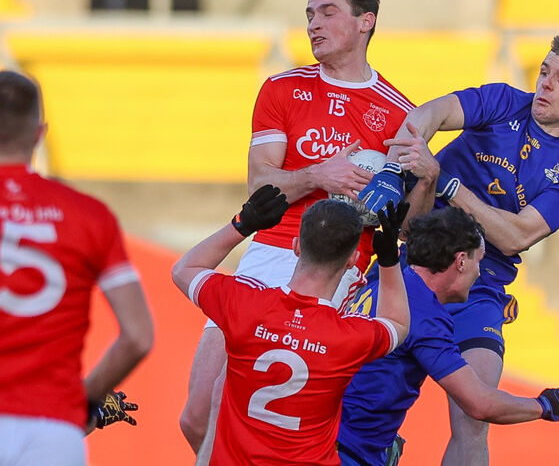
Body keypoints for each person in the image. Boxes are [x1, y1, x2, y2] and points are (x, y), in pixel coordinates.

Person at [180, 0, 414, 452]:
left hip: (336, 268)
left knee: (282, 424)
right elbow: (260, 184)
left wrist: (425, 180)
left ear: (365, 21)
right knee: (198, 417)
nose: (313, 24)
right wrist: (316, 174)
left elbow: (407, 219)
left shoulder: (400, 114)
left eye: (328, 12)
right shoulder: (282, 89)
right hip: (268, 251)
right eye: (309, 14)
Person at [358, 35, 559, 465]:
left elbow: (516, 237)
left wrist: (451, 185)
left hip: (479, 281)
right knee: (355, 382)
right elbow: (431, 112)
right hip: (415, 261)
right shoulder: (504, 101)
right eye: (544, 72)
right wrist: (399, 167)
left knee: (475, 413)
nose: (544, 85)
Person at [171, 186, 411, 465]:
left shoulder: (245, 304)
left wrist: (242, 224)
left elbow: (184, 270)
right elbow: (397, 324)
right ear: (351, 262)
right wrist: (388, 259)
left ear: (296, 246)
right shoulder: (349, 337)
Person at [337, 207, 559, 466]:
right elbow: (479, 404)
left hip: (331, 438)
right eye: (479, 260)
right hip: (349, 453)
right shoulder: (425, 314)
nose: (479, 273)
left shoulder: (388, 282)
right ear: (461, 261)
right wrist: (545, 405)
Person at [0, 70, 153, 465]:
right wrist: (86, 402)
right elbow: (138, 336)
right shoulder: (88, 215)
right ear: (39, 133)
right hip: (52, 430)